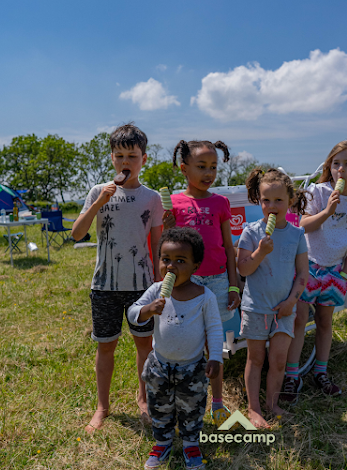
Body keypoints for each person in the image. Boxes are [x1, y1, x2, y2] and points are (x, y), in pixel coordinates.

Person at [71, 123, 163, 433]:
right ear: (112, 158)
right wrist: (99, 202)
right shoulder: (99, 191)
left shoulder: (152, 198)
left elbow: (158, 244)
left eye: (132, 156)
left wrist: (161, 281)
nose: (126, 162)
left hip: (141, 286)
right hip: (105, 285)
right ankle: (102, 407)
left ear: (144, 159)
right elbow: (77, 233)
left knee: (144, 346)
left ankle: (144, 399)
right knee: (106, 347)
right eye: (120, 155)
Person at [281, 140, 347, 402]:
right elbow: (303, 225)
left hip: (334, 270)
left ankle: (321, 372)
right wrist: (327, 211)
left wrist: (345, 273)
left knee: (325, 321)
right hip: (307, 266)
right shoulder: (319, 192)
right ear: (330, 167)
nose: (340, 169)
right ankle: (292, 376)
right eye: (336, 163)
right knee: (300, 320)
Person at [127, 227, 223, 470]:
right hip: (159, 366)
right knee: (160, 406)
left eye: (180, 261)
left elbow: (213, 328)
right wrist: (147, 310)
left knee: (192, 408)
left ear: (195, 266)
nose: (171, 267)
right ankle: (163, 441)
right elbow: (132, 312)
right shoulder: (156, 291)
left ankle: (191, 443)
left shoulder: (205, 296)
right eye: (165, 259)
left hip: (192, 367)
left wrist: (215, 358)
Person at [162, 140, 241, 427]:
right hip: (188, 283)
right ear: (184, 169)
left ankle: (217, 404)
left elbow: (228, 247)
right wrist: (168, 225)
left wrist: (234, 285)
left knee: (215, 345)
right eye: (201, 167)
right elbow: (170, 250)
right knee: (188, 344)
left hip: (218, 281)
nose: (208, 173)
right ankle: (185, 400)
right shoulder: (173, 203)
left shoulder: (221, 202)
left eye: (213, 167)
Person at [237, 168, 310, 428]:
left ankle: (272, 404)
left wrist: (292, 301)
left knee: (279, 360)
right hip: (256, 307)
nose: (272, 206)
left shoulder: (297, 234)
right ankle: (253, 408)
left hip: (284, 309)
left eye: (278, 200)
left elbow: (303, 273)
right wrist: (259, 253)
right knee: (255, 359)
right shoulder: (251, 232)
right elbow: (243, 269)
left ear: (290, 201)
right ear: (259, 201)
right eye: (266, 200)